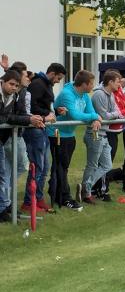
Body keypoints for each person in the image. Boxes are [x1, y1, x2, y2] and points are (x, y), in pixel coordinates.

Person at [50, 70, 101, 210]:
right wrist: (94, 117)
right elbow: (74, 114)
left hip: (69, 134)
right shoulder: (67, 94)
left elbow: (91, 111)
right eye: (91, 84)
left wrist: (95, 117)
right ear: (84, 84)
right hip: (56, 133)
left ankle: (55, 194)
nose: (93, 86)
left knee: (63, 167)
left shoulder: (85, 95)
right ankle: (64, 198)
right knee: (60, 167)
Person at [0, 70, 45, 222]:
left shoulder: (15, 95)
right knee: (4, 174)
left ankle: (5, 206)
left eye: (16, 85)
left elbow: (18, 114)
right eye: (11, 84)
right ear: (3, 81)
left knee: (4, 174)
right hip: (5, 139)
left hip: (2, 140)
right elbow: (4, 118)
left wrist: (32, 118)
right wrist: (28, 120)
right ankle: (5, 206)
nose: (14, 87)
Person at [22, 63, 67, 213]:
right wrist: (47, 115)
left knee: (44, 167)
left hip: (42, 129)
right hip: (34, 130)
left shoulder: (46, 84)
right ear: (52, 73)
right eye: (58, 78)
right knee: (37, 167)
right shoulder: (37, 84)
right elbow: (31, 108)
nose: (58, 81)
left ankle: (38, 199)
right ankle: (29, 202)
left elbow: (45, 107)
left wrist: (56, 112)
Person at [83, 70, 123, 203]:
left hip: (104, 134)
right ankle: (86, 191)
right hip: (95, 134)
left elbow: (117, 111)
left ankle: (86, 186)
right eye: (118, 82)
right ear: (110, 82)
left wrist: (114, 114)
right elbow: (105, 116)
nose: (120, 85)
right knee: (92, 164)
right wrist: (114, 115)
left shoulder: (111, 94)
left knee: (107, 165)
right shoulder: (99, 94)